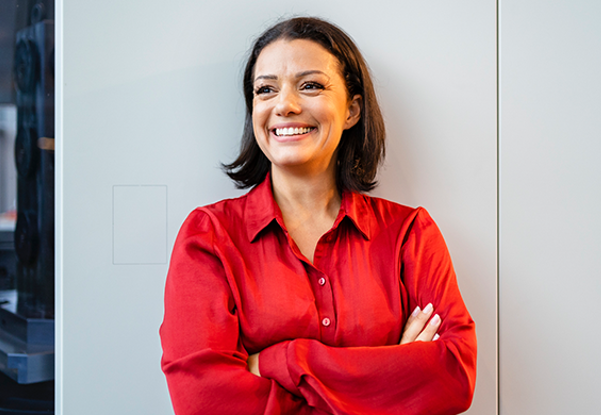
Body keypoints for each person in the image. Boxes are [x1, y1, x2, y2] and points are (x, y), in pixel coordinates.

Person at [160, 16, 476, 415]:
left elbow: (454, 377)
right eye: (266, 89)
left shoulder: (409, 234)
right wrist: (390, 378)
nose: (285, 105)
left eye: (310, 85)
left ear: (352, 110)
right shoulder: (208, 236)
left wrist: (283, 360)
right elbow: (202, 401)